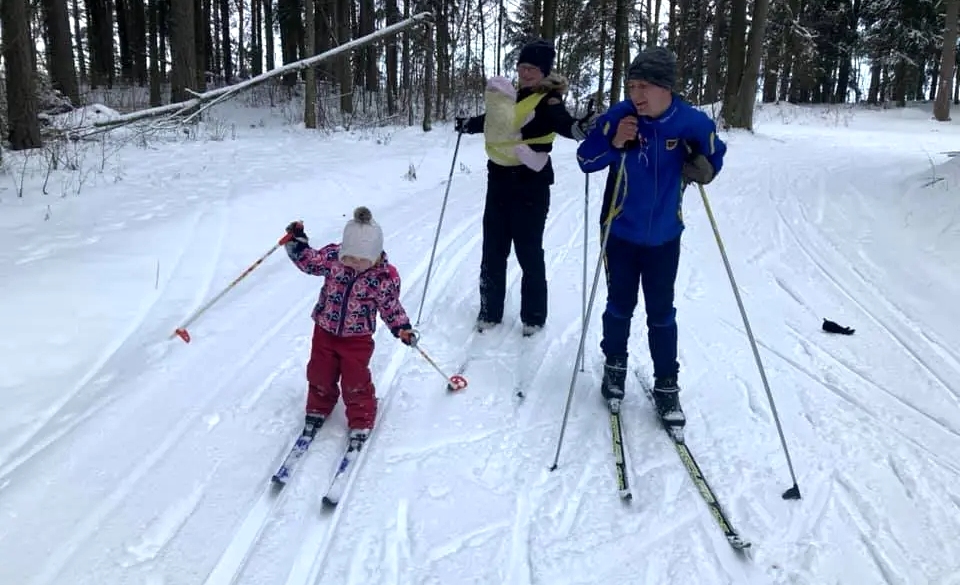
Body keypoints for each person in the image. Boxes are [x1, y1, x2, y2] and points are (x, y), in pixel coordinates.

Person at [575, 47, 726, 429]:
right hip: (620, 232)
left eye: (644, 86)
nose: (636, 94)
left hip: (664, 236)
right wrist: (614, 143)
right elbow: (585, 160)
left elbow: (713, 156)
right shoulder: (620, 117)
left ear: (666, 88)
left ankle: (666, 384)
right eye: (631, 85)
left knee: (661, 313)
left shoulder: (691, 121)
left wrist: (704, 167)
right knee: (619, 306)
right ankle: (614, 365)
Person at [454, 37, 596, 337]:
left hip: (531, 184)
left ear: (545, 72)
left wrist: (578, 128)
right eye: (522, 67)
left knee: (529, 251)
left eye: (533, 68)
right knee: (493, 249)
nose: (526, 73)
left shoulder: (548, 100)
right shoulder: (511, 96)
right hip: (499, 181)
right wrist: (468, 124)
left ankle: (533, 317)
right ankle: (489, 311)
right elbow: (493, 121)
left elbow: (562, 122)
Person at [283, 206, 418, 446]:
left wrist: (402, 327)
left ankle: (361, 417)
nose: (355, 263)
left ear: (375, 256)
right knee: (319, 372)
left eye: (362, 259)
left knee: (355, 380)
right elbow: (311, 263)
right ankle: (319, 406)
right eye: (350, 257)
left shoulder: (382, 277)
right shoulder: (334, 260)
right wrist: (298, 244)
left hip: (358, 338)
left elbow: (390, 306)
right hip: (325, 329)